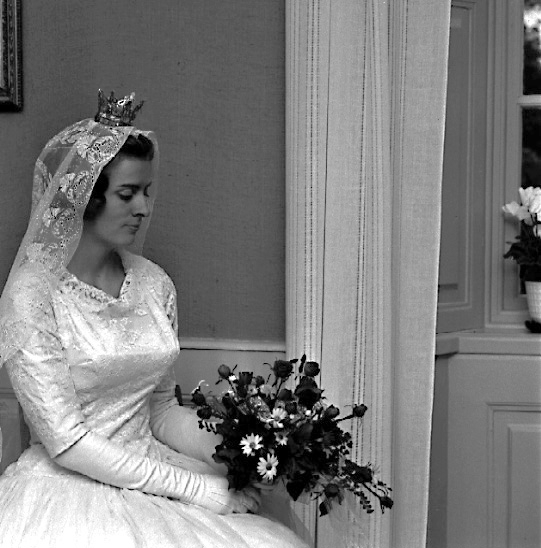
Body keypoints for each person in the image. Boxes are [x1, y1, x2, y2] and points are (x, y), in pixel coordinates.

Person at [0, 91, 310, 548]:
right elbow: (67, 441)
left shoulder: (154, 283)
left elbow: (161, 411)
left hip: (154, 464)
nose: (143, 208)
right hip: (68, 489)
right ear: (85, 198)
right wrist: (196, 488)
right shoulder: (32, 294)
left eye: (147, 192)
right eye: (127, 194)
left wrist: (240, 450)